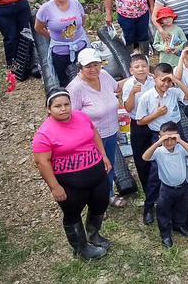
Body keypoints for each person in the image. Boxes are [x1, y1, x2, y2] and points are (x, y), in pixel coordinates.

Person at [33, 88, 113, 260]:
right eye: (57, 106)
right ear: (49, 109)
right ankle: (81, 248)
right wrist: (54, 187)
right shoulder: (44, 133)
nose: (63, 109)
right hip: (71, 184)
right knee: (72, 214)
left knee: (100, 204)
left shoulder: (81, 116)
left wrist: (103, 155)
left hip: (97, 175)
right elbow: (42, 162)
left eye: (66, 104)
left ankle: (94, 235)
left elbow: (94, 134)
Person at [66, 48, 124, 207]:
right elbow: (71, 117)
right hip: (90, 138)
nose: (93, 69)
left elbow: (117, 88)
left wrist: (138, 78)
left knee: (109, 165)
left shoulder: (104, 76)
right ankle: (96, 202)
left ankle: (109, 194)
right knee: (94, 171)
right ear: (80, 67)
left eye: (96, 64)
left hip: (111, 132)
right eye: (88, 66)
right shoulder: (76, 88)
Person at [142, 122, 188, 248]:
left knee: (182, 208)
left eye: (172, 139)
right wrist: (157, 142)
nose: (169, 142)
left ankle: (179, 225)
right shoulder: (159, 151)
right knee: (163, 211)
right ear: (160, 138)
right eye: (165, 139)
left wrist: (180, 141)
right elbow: (145, 157)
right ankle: (165, 234)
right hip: (166, 189)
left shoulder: (181, 149)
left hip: (182, 186)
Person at [121, 53, 159, 225]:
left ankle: (162, 195)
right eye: (137, 67)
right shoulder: (129, 85)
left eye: (143, 66)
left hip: (156, 122)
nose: (141, 69)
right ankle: (149, 202)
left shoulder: (154, 80)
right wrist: (132, 94)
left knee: (159, 160)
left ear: (148, 67)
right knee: (142, 162)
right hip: (139, 124)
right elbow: (127, 108)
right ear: (131, 70)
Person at [35, 0, 88, 87]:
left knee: (85, 74)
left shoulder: (75, 3)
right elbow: (38, 27)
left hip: (81, 46)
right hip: (60, 50)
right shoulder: (46, 9)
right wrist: (51, 36)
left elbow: (82, 20)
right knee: (63, 79)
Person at [136, 62, 188, 132]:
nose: (166, 84)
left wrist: (176, 80)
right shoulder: (145, 97)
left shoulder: (174, 92)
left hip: (177, 130)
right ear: (154, 79)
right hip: (158, 133)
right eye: (163, 80)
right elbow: (139, 121)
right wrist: (156, 114)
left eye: (169, 80)